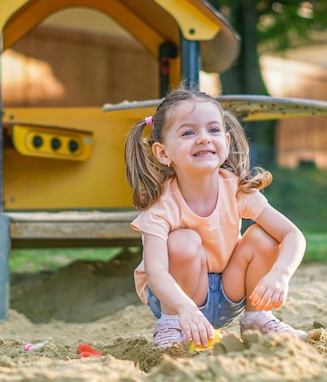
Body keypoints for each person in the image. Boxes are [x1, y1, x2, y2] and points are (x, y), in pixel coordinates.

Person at [124, 86, 307, 348]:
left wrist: (280, 274)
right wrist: (183, 308)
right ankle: (170, 325)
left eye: (213, 130)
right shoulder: (162, 206)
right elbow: (155, 273)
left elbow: (293, 235)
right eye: (188, 132)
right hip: (176, 301)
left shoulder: (237, 189)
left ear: (227, 142)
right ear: (163, 153)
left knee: (263, 237)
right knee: (182, 242)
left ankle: (258, 319)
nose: (203, 139)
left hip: (227, 293)